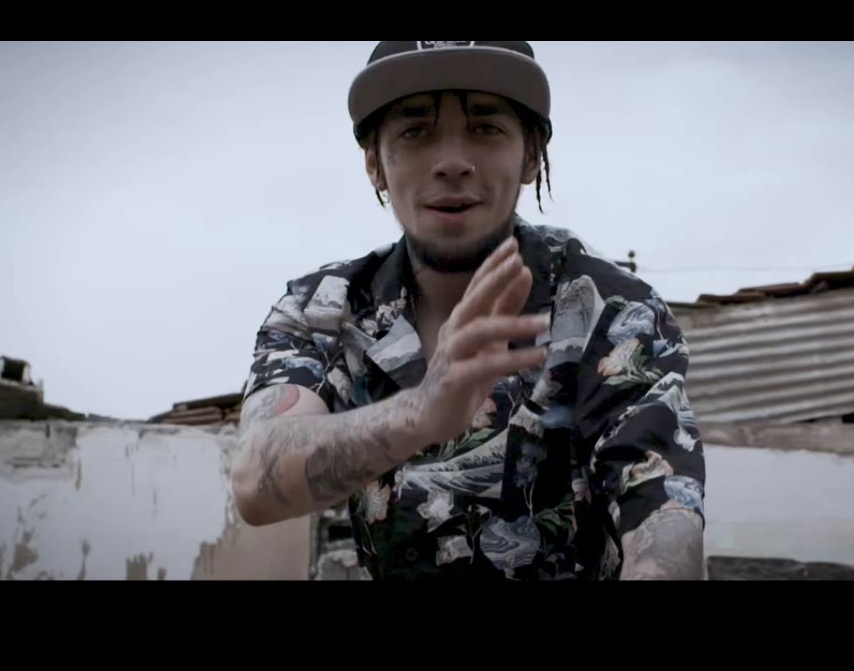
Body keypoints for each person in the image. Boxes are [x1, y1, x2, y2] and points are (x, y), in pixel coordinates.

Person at [230, 41, 707, 581]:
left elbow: (665, 515)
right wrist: (419, 413)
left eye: (486, 127)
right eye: (416, 131)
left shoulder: (613, 311)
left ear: (531, 156)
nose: (453, 162)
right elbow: (255, 482)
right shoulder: (324, 309)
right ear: (374, 165)